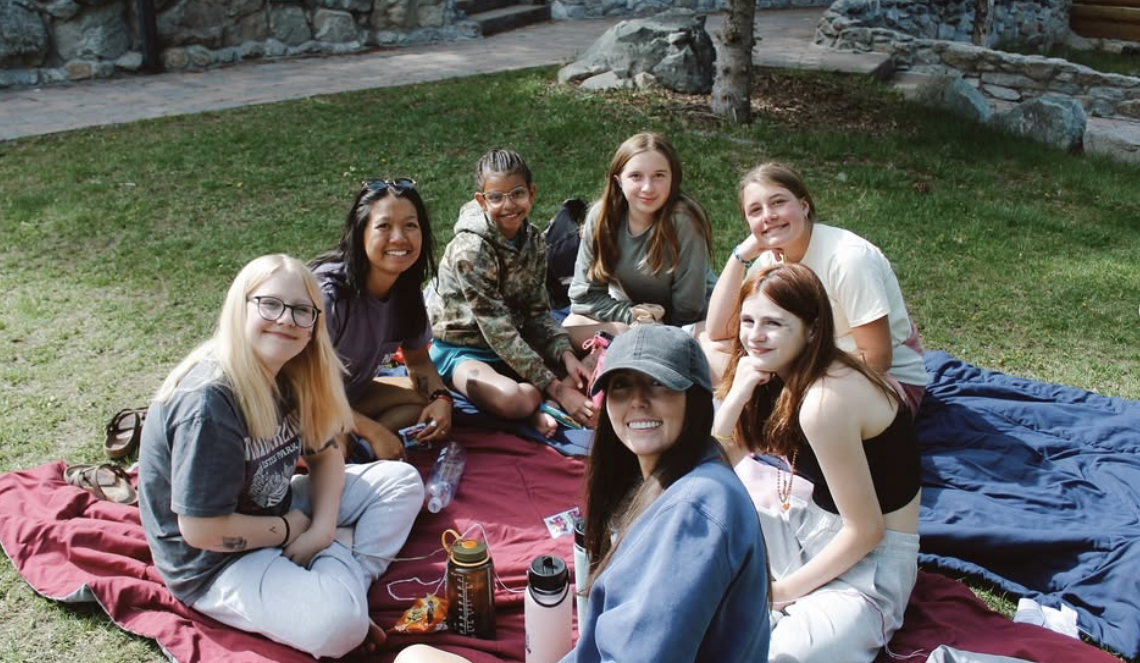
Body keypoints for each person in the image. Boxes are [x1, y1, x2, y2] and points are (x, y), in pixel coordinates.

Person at [394, 325, 770, 663]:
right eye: (621, 386)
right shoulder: (687, 476)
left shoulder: (693, 513)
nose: (637, 400)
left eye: (659, 384)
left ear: (697, 398)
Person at [138, 254, 424, 659]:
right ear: (240, 308)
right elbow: (201, 530)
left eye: (302, 311)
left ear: (314, 325)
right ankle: (339, 582)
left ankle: (344, 579)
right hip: (215, 563)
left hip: (277, 507)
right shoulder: (209, 404)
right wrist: (291, 530)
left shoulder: (293, 372)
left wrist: (320, 533)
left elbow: (326, 456)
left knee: (402, 481)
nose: (287, 319)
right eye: (270, 304)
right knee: (341, 628)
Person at [712, 262, 920, 663]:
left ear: (811, 329)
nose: (755, 336)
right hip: (809, 527)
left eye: (774, 323)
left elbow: (867, 532)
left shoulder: (826, 401)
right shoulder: (774, 371)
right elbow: (707, 474)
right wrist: (737, 394)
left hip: (869, 569)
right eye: (749, 320)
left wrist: (779, 594)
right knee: (695, 521)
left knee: (779, 657)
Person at [703, 162, 927, 414]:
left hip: (875, 379)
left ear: (804, 206)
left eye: (778, 202)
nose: (768, 215)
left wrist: (792, 373)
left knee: (817, 406)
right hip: (803, 367)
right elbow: (719, 331)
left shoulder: (848, 259)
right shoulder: (769, 261)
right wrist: (740, 256)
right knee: (709, 351)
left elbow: (877, 358)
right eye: (755, 210)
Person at [427, 149, 594, 436]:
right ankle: (543, 402)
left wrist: (566, 355)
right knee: (515, 400)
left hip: (517, 337)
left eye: (517, 194)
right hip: (465, 349)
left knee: (598, 348)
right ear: (482, 200)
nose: (508, 205)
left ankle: (545, 399)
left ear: (531, 193)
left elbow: (537, 313)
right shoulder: (471, 250)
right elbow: (497, 331)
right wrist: (557, 387)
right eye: (496, 197)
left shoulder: (533, 240)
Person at [310, 178, 453, 461]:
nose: (399, 238)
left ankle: (363, 448)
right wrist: (374, 431)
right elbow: (301, 392)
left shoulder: (405, 288)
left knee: (424, 403)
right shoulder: (328, 297)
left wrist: (442, 399)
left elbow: (418, 361)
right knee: (333, 444)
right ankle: (360, 445)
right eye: (384, 226)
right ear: (360, 232)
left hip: (346, 398)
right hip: (300, 406)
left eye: (410, 225)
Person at [563, 132, 717, 346]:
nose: (648, 188)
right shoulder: (601, 218)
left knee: (701, 342)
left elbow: (689, 306)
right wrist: (635, 317)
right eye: (636, 176)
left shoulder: (683, 220)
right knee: (568, 330)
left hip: (695, 319)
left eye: (659, 175)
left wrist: (658, 331)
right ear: (618, 180)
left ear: (673, 179)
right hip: (636, 313)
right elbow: (583, 297)